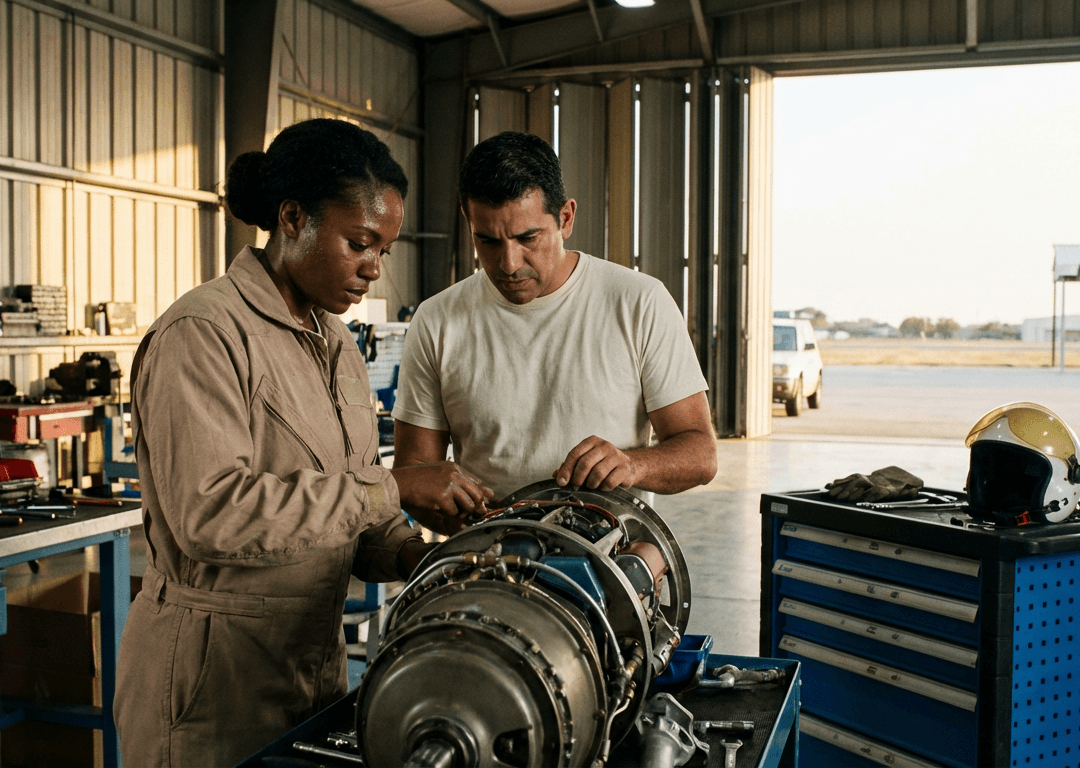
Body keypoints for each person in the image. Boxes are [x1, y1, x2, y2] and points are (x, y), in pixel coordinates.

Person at [113, 118, 492, 767]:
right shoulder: (203, 334)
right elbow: (212, 515)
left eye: (384, 251)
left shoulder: (336, 343)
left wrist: (418, 559)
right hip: (211, 681)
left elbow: (353, 512)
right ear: (293, 219)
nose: (374, 270)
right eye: (359, 244)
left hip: (309, 668)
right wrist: (396, 485)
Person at [392, 131, 717, 528]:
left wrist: (632, 466)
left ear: (565, 218)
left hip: (609, 553)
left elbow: (701, 454)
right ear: (469, 223)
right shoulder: (437, 320)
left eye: (527, 238)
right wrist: (479, 533)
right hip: (488, 553)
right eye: (488, 241)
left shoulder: (638, 302)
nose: (509, 264)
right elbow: (415, 474)